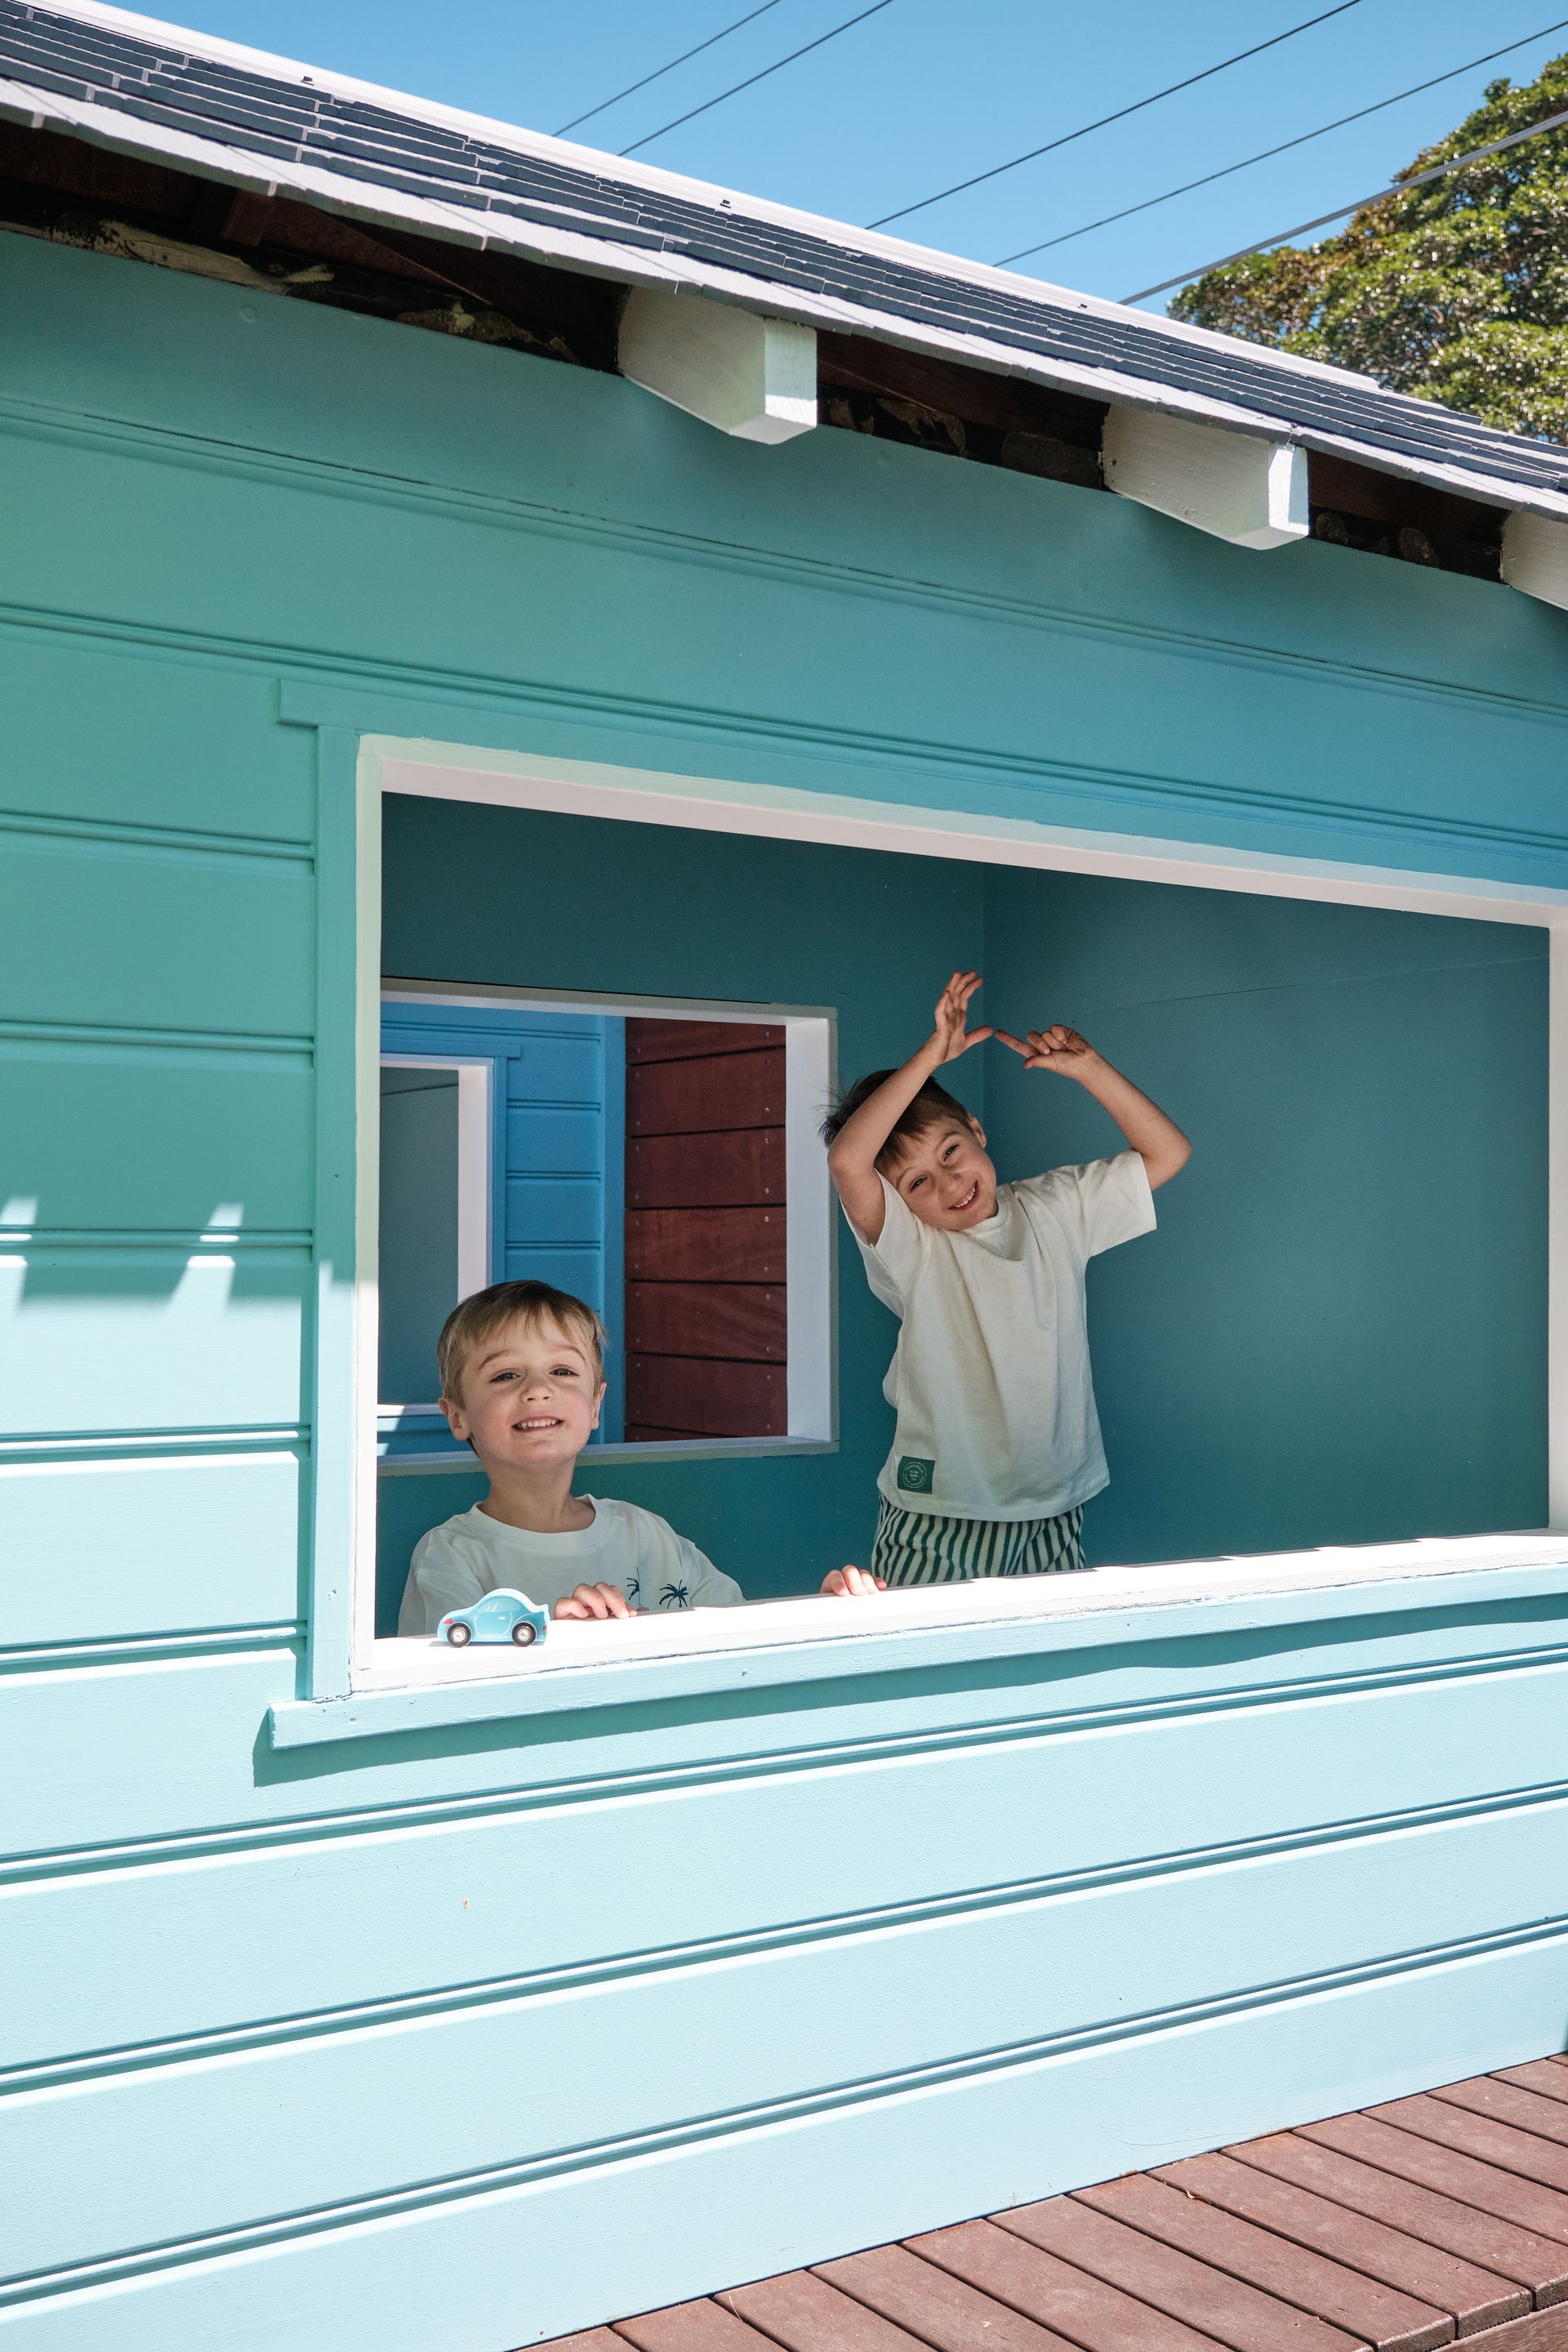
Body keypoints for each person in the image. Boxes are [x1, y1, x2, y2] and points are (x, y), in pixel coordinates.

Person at [822, 970, 1190, 1587]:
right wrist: (930, 1057)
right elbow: (846, 1160)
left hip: (1053, 1505)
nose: (946, 1183)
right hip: (941, 1512)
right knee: (932, 1669)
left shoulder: (1056, 1207)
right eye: (915, 1183)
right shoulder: (912, 1248)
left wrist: (1091, 1069)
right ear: (897, 1200)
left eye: (950, 1152)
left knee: (1045, 1672)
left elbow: (1167, 1154)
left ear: (975, 1128)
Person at [398, 1278, 883, 1636]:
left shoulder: (644, 1532)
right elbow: (447, 1693)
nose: (539, 1390)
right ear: (457, 1415)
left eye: (563, 1370)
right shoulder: (451, 1555)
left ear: (594, 1405)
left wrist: (825, 1616)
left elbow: (738, 1636)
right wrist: (563, 1638)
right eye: (506, 1376)